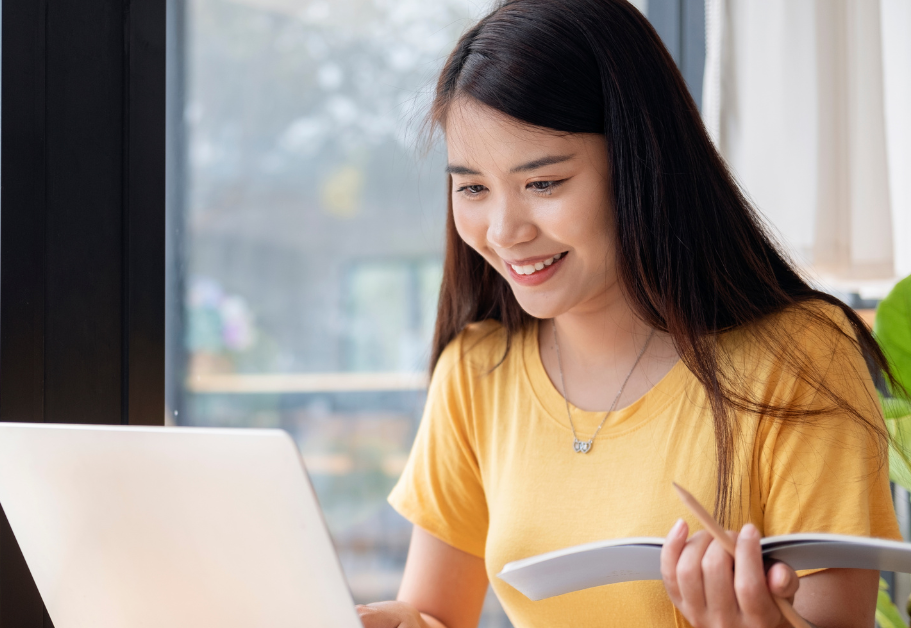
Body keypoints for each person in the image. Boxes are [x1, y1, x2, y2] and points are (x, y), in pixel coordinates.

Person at [354, 1, 901, 627]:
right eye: (472, 188)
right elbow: (433, 616)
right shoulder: (479, 367)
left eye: (543, 184)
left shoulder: (799, 355)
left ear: (640, 166)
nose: (504, 231)